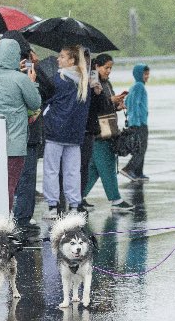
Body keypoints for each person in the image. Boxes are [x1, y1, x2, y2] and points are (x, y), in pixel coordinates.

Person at [1, 30, 55, 235]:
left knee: (27, 177)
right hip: (14, 131)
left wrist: (36, 68)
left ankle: (23, 217)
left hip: (29, 131)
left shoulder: (31, 67)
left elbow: (50, 90)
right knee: (16, 178)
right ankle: (16, 220)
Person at [0, 38, 42, 214]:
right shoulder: (21, 79)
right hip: (15, 141)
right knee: (10, 184)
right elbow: (34, 102)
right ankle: (3, 223)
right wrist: (31, 82)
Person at [41, 45, 92, 217]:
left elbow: (47, 101)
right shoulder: (85, 82)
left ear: (71, 60)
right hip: (75, 133)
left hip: (55, 131)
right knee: (72, 171)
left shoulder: (58, 79)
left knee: (51, 170)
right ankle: (74, 205)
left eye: (62, 56)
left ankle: (52, 206)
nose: (58, 59)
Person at [81, 53, 134, 212]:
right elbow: (96, 103)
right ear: (96, 66)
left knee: (94, 168)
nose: (109, 71)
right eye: (106, 67)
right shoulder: (92, 82)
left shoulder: (105, 83)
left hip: (106, 130)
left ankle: (78, 198)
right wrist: (112, 100)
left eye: (110, 68)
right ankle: (116, 200)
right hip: (99, 132)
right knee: (108, 166)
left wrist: (117, 104)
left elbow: (106, 105)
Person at [120, 63, 150, 181]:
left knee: (140, 146)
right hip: (139, 123)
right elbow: (134, 104)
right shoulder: (139, 86)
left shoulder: (135, 86)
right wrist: (136, 121)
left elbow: (127, 102)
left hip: (138, 122)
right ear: (139, 74)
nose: (147, 76)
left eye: (148, 74)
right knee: (141, 147)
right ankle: (129, 168)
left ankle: (138, 172)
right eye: (145, 74)